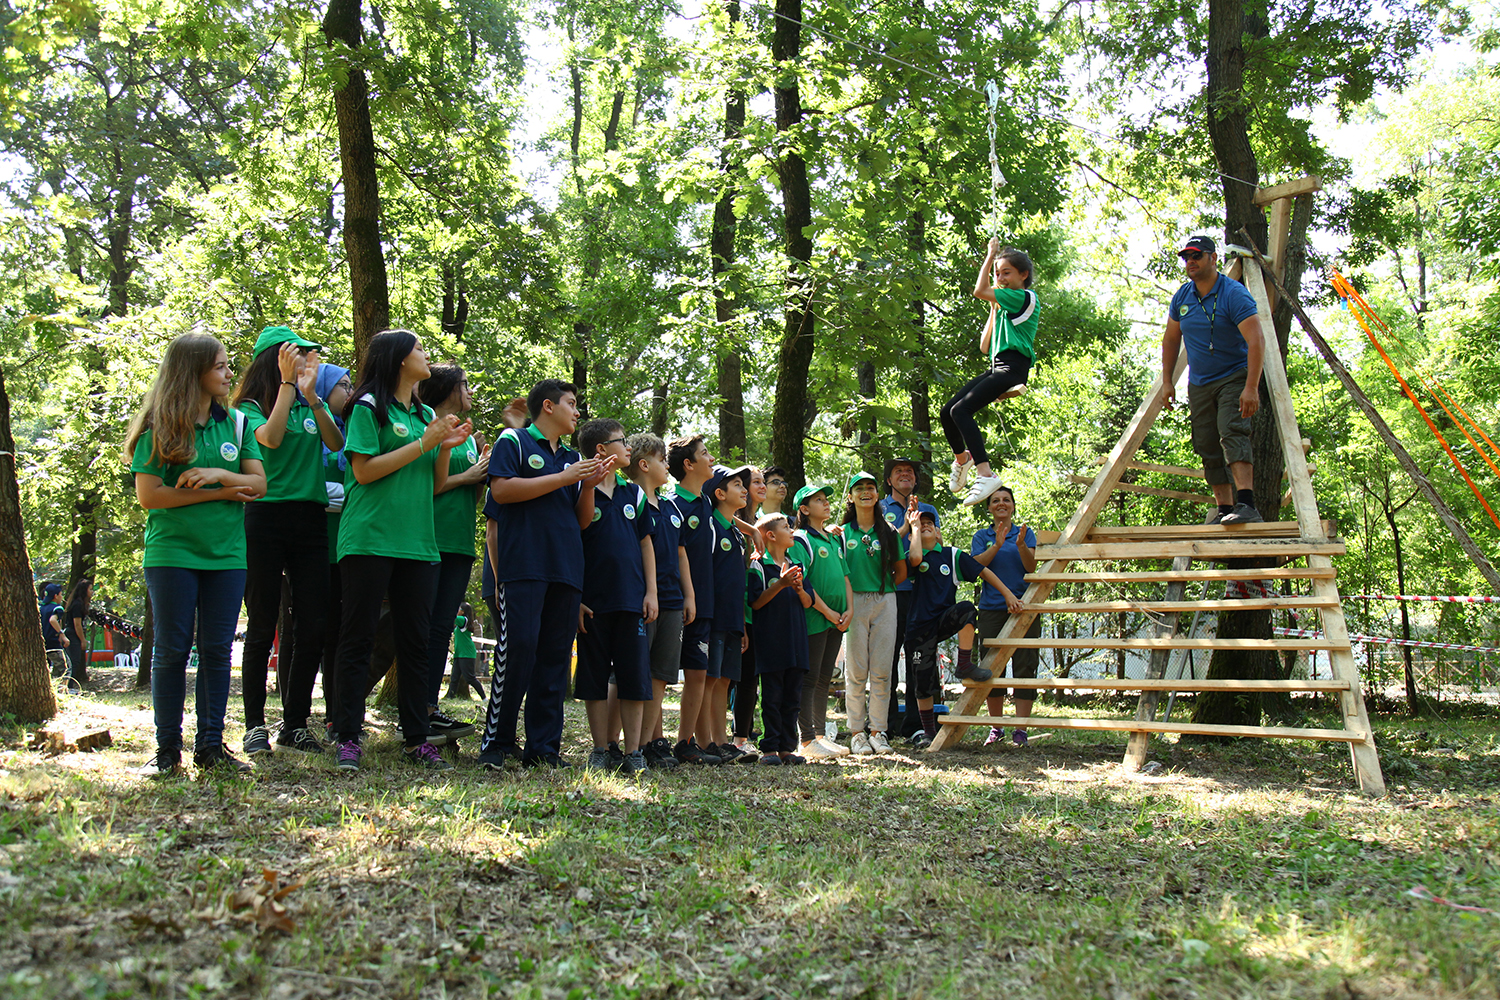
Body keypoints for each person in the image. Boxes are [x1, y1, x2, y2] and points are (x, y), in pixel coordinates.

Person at [124, 333, 266, 776]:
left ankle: (210, 745)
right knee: (170, 649)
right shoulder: (159, 426)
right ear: (193, 372)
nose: (229, 373)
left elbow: (258, 487)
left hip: (227, 556)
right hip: (171, 554)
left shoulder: (239, 424)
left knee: (218, 650)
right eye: (221, 366)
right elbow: (151, 496)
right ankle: (167, 749)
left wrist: (216, 474)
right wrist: (222, 491)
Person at [330, 329, 472, 773]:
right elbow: (365, 471)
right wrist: (424, 444)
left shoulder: (425, 412)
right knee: (357, 639)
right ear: (397, 359)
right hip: (369, 539)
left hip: (419, 544)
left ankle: (417, 740)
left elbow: (432, 484)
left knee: (416, 644)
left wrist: (443, 448)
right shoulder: (368, 406)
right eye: (420, 350)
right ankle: (347, 737)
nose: (428, 356)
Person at [476, 379, 611, 771]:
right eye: (571, 403)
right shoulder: (514, 442)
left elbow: (583, 520)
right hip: (524, 567)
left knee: (554, 659)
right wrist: (565, 479)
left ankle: (544, 749)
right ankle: (497, 743)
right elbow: (501, 491)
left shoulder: (572, 458)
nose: (577, 411)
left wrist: (586, 486)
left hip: (566, 570)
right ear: (548, 407)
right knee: (516, 650)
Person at [232, 325, 345, 757]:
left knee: (313, 624)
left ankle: (295, 722)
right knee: (262, 624)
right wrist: (285, 386)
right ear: (275, 359)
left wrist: (313, 397)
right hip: (264, 516)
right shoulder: (248, 407)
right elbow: (271, 439)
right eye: (299, 355)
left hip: (311, 519)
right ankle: (254, 724)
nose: (307, 363)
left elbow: (336, 444)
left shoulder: (308, 402)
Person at [1161, 234, 1264, 524]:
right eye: (1186, 257)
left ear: (1213, 258)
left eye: (1197, 255)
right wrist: (1168, 382)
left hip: (1234, 376)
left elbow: (1256, 340)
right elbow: (1170, 340)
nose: (1190, 262)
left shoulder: (1233, 293)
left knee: (1231, 431)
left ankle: (1247, 504)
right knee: (1206, 442)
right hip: (1200, 383)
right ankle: (1225, 509)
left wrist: (1251, 388)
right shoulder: (1182, 296)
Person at [574, 418, 656, 774]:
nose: (629, 446)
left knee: (633, 678)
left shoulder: (633, 494)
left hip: (631, 602)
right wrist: (575, 597)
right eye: (622, 441)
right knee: (593, 677)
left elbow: (645, 544)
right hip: (592, 604)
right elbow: (573, 541)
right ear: (601, 451)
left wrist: (651, 591)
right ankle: (600, 748)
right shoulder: (578, 489)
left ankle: (634, 751)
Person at [417, 362, 490, 744]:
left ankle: (428, 709)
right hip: (428, 538)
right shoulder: (427, 422)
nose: (471, 392)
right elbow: (426, 486)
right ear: (447, 389)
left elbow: (472, 496)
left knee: (441, 627)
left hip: (459, 542)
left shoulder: (465, 436)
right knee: (423, 628)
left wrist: (480, 471)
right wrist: (470, 474)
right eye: (465, 384)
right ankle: (419, 712)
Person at [904, 507, 1015, 748]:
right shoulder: (912, 555)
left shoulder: (951, 555)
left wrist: (1008, 595)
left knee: (966, 608)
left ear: (938, 530)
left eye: (929, 523)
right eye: (920, 524)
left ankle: (964, 663)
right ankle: (929, 733)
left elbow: (983, 571)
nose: (925, 526)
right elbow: (915, 559)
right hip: (918, 628)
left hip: (943, 618)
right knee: (923, 681)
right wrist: (914, 531)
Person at [945, 238, 1040, 507]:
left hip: (1013, 368)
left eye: (1005, 272)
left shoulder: (1024, 297)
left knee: (960, 411)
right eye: (997, 273)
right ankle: (963, 459)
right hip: (997, 366)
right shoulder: (1005, 307)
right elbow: (985, 346)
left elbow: (979, 289)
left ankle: (985, 474)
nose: (1000, 278)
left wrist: (990, 255)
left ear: (1023, 275)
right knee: (947, 411)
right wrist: (993, 308)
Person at [623, 432, 682, 771]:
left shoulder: (670, 506)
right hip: (642, 599)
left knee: (659, 675)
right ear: (644, 464)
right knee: (633, 671)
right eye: (662, 459)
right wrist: (649, 591)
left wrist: (687, 595)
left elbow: (680, 554)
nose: (666, 465)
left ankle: (645, 744)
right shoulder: (630, 500)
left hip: (672, 600)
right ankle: (619, 744)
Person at [839, 471, 906, 755]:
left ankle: (879, 731)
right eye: (859, 489)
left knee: (881, 670)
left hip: (885, 600)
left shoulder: (889, 531)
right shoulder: (841, 533)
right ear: (851, 497)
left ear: (877, 494)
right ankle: (857, 733)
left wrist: (882, 587)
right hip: (854, 603)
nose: (865, 492)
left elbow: (901, 570)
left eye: (870, 487)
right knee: (855, 670)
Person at [668, 435, 724, 766]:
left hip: (705, 603)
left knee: (699, 672)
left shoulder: (705, 501)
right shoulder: (674, 504)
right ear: (689, 465)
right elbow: (676, 555)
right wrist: (686, 595)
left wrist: (752, 529)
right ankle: (652, 740)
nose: (711, 457)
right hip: (676, 603)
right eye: (705, 454)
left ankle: (686, 741)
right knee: (661, 674)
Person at [970, 486, 1039, 746]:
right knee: (991, 667)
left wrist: (1020, 545)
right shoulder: (981, 536)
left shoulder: (1026, 533)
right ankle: (996, 727)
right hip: (991, 608)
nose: (1001, 504)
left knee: (1025, 666)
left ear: (1012, 506)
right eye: (995, 500)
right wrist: (997, 544)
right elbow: (977, 566)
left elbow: (1031, 567)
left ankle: (1021, 730)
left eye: (1006, 500)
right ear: (989, 507)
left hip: (1024, 607)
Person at [790, 484, 853, 759]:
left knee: (825, 677)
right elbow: (802, 581)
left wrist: (849, 609)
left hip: (838, 621)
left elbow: (846, 577)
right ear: (804, 509)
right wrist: (828, 611)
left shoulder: (834, 539)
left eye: (826, 499)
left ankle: (818, 735)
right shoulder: (801, 539)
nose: (826, 504)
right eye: (818, 500)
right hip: (815, 618)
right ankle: (806, 739)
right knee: (810, 677)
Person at [749, 513, 813, 765]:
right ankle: (769, 748)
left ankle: (788, 748)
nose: (792, 531)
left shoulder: (796, 563)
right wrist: (780, 584)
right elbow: (756, 602)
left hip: (796, 641)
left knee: (792, 698)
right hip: (772, 641)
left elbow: (808, 602)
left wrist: (797, 588)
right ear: (771, 535)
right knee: (772, 698)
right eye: (787, 527)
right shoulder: (759, 565)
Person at [880, 458, 937, 739]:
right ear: (889, 481)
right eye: (898, 472)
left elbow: (933, 546)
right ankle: (885, 725)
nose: (905, 474)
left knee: (919, 660)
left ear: (915, 481)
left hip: (921, 594)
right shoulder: (878, 508)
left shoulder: (928, 510)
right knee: (886, 660)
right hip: (890, 592)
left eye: (910, 472)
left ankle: (917, 725)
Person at [705, 464, 757, 763]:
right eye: (737, 484)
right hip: (712, 617)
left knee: (725, 680)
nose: (744, 489)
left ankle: (722, 741)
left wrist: (743, 626)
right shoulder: (710, 525)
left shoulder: (737, 534)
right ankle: (706, 740)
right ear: (720, 493)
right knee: (710, 679)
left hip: (733, 619)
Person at [317, 362, 352, 740]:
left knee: (343, 636)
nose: (349, 391)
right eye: (342, 385)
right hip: (315, 546)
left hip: (348, 549)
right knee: (314, 633)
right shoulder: (313, 433)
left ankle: (337, 715)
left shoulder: (350, 433)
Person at [447, 603, 485, 700]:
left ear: (463, 611)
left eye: (459, 609)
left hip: (467, 653)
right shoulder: (462, 621)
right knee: (454, 678)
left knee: (470, 678)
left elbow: (451, 617)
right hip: (459, 653)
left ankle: (484, 697)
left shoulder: (463, 620)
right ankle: (450, 697)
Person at [63, 579, 92, 687]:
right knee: (73, 662)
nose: (91, 592)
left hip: (73, 633)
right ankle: (68, 686)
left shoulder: (79, 603)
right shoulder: (77, 604)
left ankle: (68, 685)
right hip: (72, 634)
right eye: (90, 589)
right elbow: (77, 624)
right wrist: (82, 640)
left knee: (74, 661)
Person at [39, 583, 68, 682]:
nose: (61, 597)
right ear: (55, 596)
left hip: (43, 643)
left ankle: (55, 686)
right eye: (60, 594)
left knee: (52, 669)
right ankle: (63, 690)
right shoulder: (57, 608)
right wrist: (62, 635)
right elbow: (52, 620)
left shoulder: (41, 608)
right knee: (66, 669)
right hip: (53, 643)